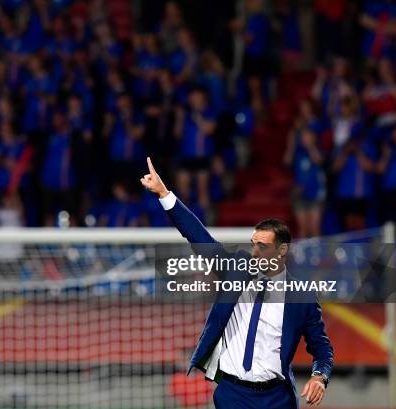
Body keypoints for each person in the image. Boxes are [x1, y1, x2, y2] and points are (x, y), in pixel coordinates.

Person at [140, 157, 333, 408]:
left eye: (262, 247)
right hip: (233, 393)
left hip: (277, 398)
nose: (254, 252)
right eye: (253, 245)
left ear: (282, 250)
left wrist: (319, 377)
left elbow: (322, 349)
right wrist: (164, 193)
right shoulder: (236, 270)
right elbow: (199, 237)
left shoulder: (302, 296)